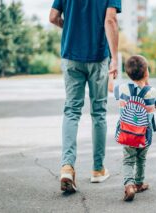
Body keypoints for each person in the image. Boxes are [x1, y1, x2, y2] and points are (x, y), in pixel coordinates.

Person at [49, 0, 121, 193]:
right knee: (98, 113)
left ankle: (67, 167)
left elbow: (53, 17)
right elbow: (111, 20)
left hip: (71, 56)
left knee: (72, 111)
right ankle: (98, 170)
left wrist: (71, 27)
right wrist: (115, 58)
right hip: (98, 57)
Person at [108, 55, 156, 201]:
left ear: (128, 73)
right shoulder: (152, 92)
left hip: (127, 133)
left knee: (128, 160)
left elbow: (110, 88)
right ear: (146, 73)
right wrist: (147, 84)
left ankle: (129, 185)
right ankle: (139, 183)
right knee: (141, 159)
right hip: (144, 134)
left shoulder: (123, 89)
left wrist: (111, 75)